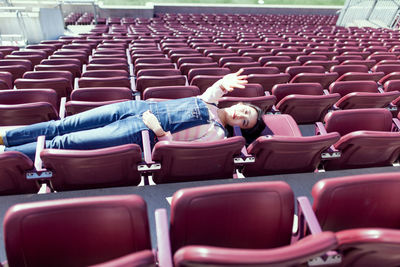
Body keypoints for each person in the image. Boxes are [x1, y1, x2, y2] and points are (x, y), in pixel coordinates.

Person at [0, 70, 266, 160]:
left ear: (240, 127)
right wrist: (226, 79)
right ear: (240, 103)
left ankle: (9, 155)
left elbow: (177, 149)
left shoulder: (217, 133)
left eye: (245, 121)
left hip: (140, 132)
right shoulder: (210, 101)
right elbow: (218, 88)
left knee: (66, 143)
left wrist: (160, 133)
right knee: (63, 125)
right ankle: (6, 137)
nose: (240, 116)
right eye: (244, 111)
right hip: (131, 108)